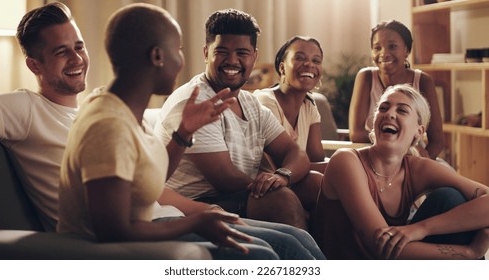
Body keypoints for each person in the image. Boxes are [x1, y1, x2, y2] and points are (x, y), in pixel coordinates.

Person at [58, 3, 325, 260]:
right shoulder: (108, 125)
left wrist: (184, 133)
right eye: (179, 49)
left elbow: (152, 179)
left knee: (295, 240)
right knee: (272, 253)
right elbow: (112, 231)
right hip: (121, 244)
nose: (182, 60)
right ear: (158, 56)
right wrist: (194, 222)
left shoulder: (126, 113)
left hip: (155, 220)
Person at [156, 9, 321, 230]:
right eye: (222, 51)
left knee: (316, 185)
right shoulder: (194, 101)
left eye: (242, 52)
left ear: (254, 56)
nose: (232, 60)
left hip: (241, 193)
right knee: (282, 200)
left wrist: (283, 176)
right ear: (206, 53)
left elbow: (295, 153)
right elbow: (225, 179)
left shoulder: (250, 103)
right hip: (198, 203)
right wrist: (275, 187)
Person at [310, 84, 489, 259]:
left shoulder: (417, 168)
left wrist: (422, 228)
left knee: (450, 198)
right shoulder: (347, 161)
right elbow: (381, 248)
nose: (389, 114)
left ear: (418, 132)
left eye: (402, 110)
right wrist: (468, 253)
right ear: (374, 123)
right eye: (383, 108)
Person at [0, 2, 89, 231]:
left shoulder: (92, 113)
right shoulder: (26, 109)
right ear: (35, 66)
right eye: (61, 51)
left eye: (79, 47)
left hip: (157, 220)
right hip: (106, 239)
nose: (76, 58)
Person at [349, 20, 444, 160]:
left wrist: (421, 164)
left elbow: (437, 141)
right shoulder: (366, 77)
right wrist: (399, 143)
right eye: (377, 48)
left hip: (413, 156)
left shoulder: (423, 81)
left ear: (407, 50)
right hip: (375, 156)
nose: (384, 53)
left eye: (392, 46)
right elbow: (356, 134)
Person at [253, 36, 327, 174]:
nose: (309, 64)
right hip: (269, 183)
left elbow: (316, 158)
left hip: (296, 179)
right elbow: (273, 167)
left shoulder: (309, 105)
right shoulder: (265, 102)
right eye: (300, 58)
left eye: (316, 60)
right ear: (282, 68)